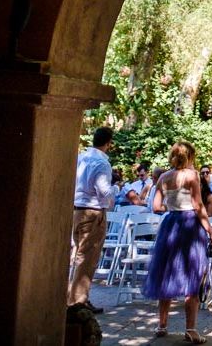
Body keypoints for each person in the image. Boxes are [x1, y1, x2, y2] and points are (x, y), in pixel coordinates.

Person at [143, 141, 212, 344]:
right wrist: (211, 233)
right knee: (192, 275)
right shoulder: (191, 175)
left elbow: (156, 207)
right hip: (189, 226)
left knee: (166, 273)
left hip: (170, 225)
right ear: (190, 156)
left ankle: (162, 325)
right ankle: (191, 329)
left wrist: (173, 206)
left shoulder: (163, 177)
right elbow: (198, 206)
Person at [68, 126, 119, 314]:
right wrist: (116, 189)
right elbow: (104, 192)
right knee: (87, 258)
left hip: (76, 210)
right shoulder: (101, 163)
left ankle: (72, 297)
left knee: (77, 256)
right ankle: (78, 302)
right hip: (92, 212)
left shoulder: (81, 158)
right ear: (108, 143)